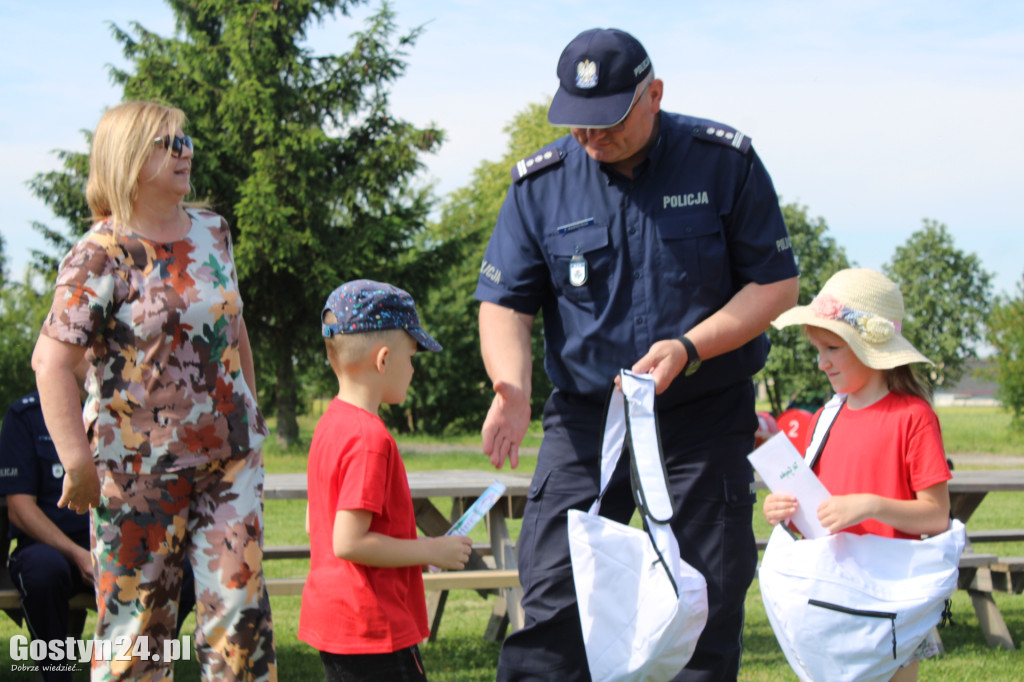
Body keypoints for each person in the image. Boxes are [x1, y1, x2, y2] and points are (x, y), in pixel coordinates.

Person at [474, 27, 799, 681]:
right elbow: (505, 301)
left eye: (608, 123)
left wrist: (689, 346)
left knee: (704, 597)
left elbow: (775, 284)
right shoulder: (540, 186)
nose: (591, 140)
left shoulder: (723, 162)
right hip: (587, 420)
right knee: (551, 594)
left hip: (700, 416)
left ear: (653, 94)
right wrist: (510, 388)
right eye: (577, 125)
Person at [30, 101, 276, 680]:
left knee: (241, 626)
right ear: (128, 158)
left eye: (184, 139)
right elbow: (50, 364)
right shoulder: (99, 253)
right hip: (136, 474)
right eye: (166, 143)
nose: (184, 150)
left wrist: (252, 411)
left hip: (230, 462)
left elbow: (232, 326)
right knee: (136, 639)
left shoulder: (214, 230)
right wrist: (75, 462)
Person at [762, 268, 952, 681]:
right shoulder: (827, 417)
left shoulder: (913, 417)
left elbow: (937, 515)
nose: (821, 361)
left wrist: (870, 506)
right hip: (833, 599)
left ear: (870, 345)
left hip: (892, 601)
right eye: (818, 348)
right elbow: (818, 510)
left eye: (831, 347)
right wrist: (785, 509)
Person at [299, 280, 473, 681]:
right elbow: (349, 541)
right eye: (411, 357)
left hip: (338, 627)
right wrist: (431, 549)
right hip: (374, 629)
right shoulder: (369, 439)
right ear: (383, 360)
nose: (413, 369)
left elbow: (317, 524)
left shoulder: (329, 425)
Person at [0, 385, 196, 682]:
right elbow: (19, 508)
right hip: (53, 544)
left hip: (119, 540)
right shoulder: (26, 415)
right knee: (42, 573)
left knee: (184, 570)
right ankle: (55, 673)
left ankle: (140, 664)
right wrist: (80, 555)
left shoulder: (130, 408)